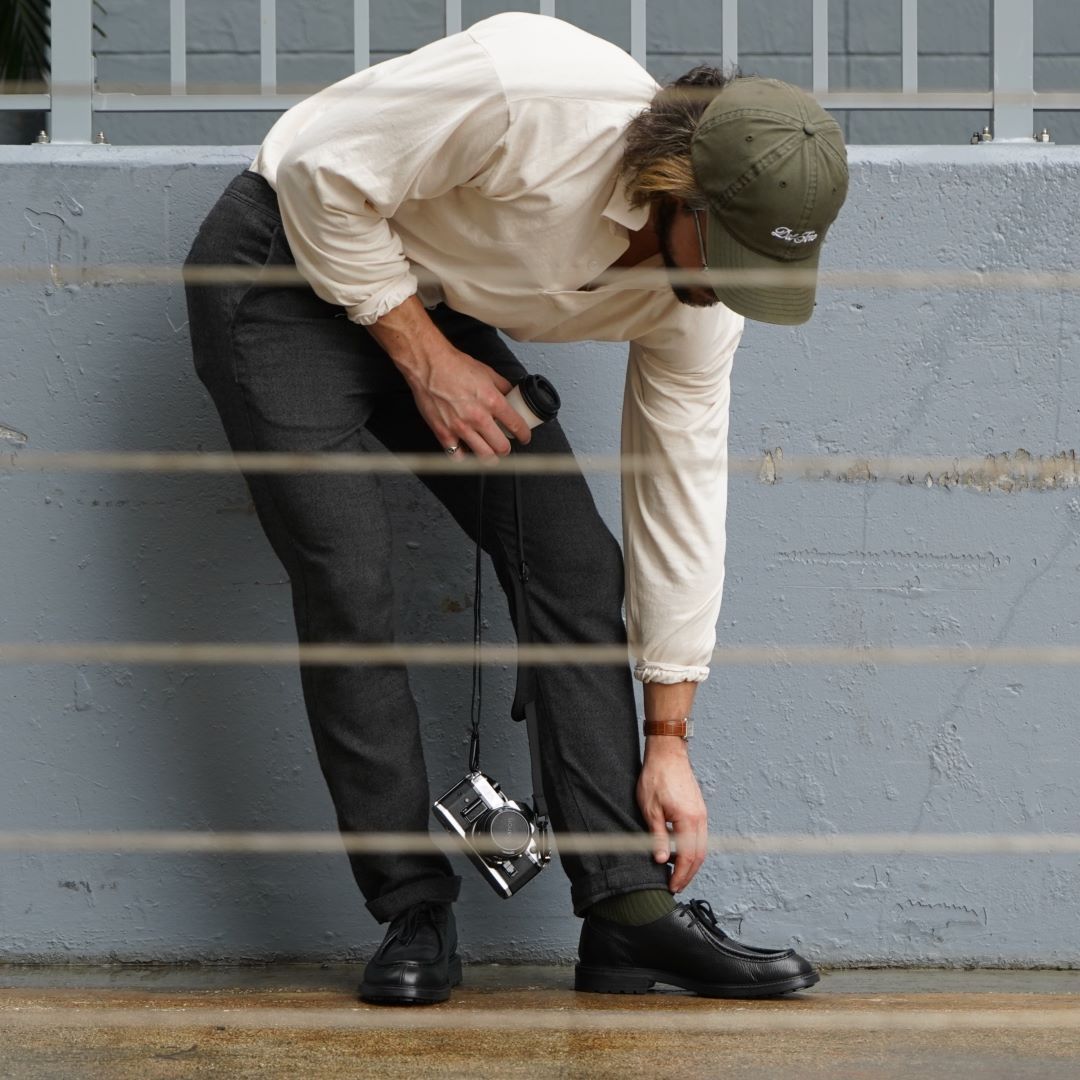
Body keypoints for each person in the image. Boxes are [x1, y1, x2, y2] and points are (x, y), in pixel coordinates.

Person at [184, 11, 848, 1004]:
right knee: (350, 580)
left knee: (573, 562)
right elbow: (322, 172)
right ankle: (414, 908)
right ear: (680, 192)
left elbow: (678, 489)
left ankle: (627, 919)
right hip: (283, 260)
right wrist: (426, 358)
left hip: (417, 289)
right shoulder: (535, 88)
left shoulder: (705, 298)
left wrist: (671, 737)